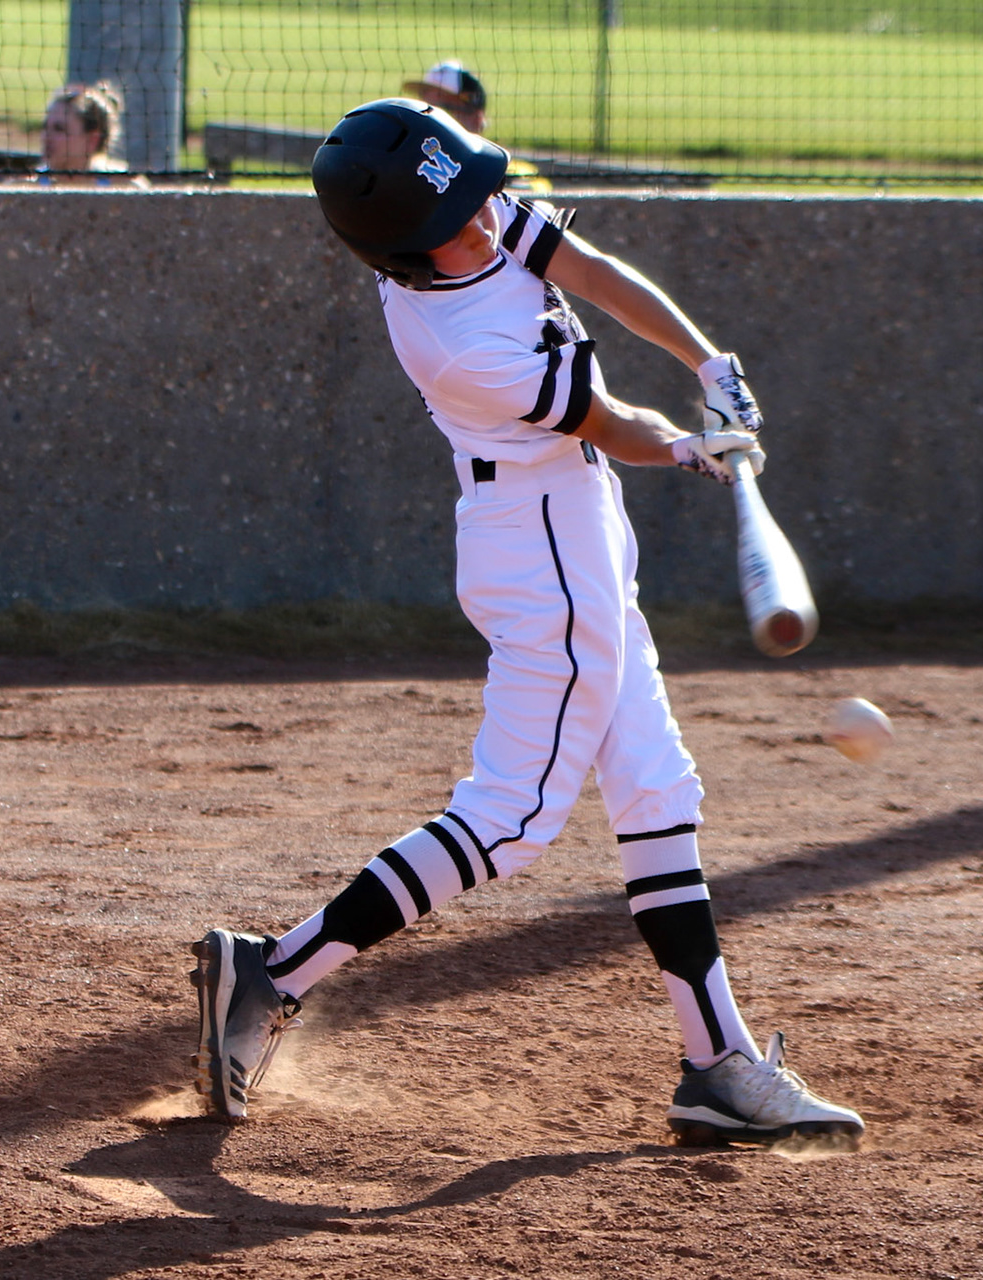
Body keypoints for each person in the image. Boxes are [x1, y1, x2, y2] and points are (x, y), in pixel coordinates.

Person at [190, 98, 863, 1148]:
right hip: (538, 548)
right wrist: (697, 448)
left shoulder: (463, 216)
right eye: (460, 213)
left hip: (581, 530)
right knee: (511, 816)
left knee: (654, 787)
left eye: (476, 193)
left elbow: (590, 270)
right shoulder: (461, 346)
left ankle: (718, 1062)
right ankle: (274, 969)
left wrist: (708, 362)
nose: (486, 217)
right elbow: (614, 424)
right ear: (406, 250)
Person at [401, 60, 549, 193]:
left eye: (444, 109)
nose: (430, 119)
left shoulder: (514, 174)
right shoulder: (408, 169)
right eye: (425, 109)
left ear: (476, 117)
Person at [32, 82, 140, 186]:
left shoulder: (123, 187)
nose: (46, 137)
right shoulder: (28, 185)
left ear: (92, 140)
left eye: (59, 129)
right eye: (45, 127)